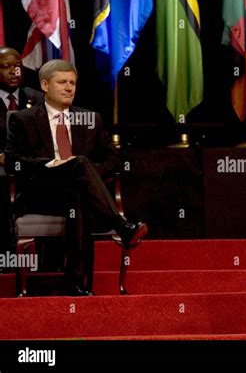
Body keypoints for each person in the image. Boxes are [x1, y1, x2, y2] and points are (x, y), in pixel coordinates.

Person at [5, 59, 148, 295]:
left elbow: (113, 161)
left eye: (72, 83)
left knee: (79, 187)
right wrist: (52, 164)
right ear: (44, 85)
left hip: (79, 192)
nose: (69, 88)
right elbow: (13, 161)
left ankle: (77, 286)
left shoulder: (90, 119)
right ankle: (120, 227)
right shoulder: (23, 119)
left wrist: (84, 174)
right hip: (41, 192)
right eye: (62, 82)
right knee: (80, 165)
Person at [0, 47, 43, 258]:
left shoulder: (38, 99)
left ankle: (46, 259)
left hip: (32, 169)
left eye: (17, 66)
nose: (14, 72)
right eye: (6, 67)